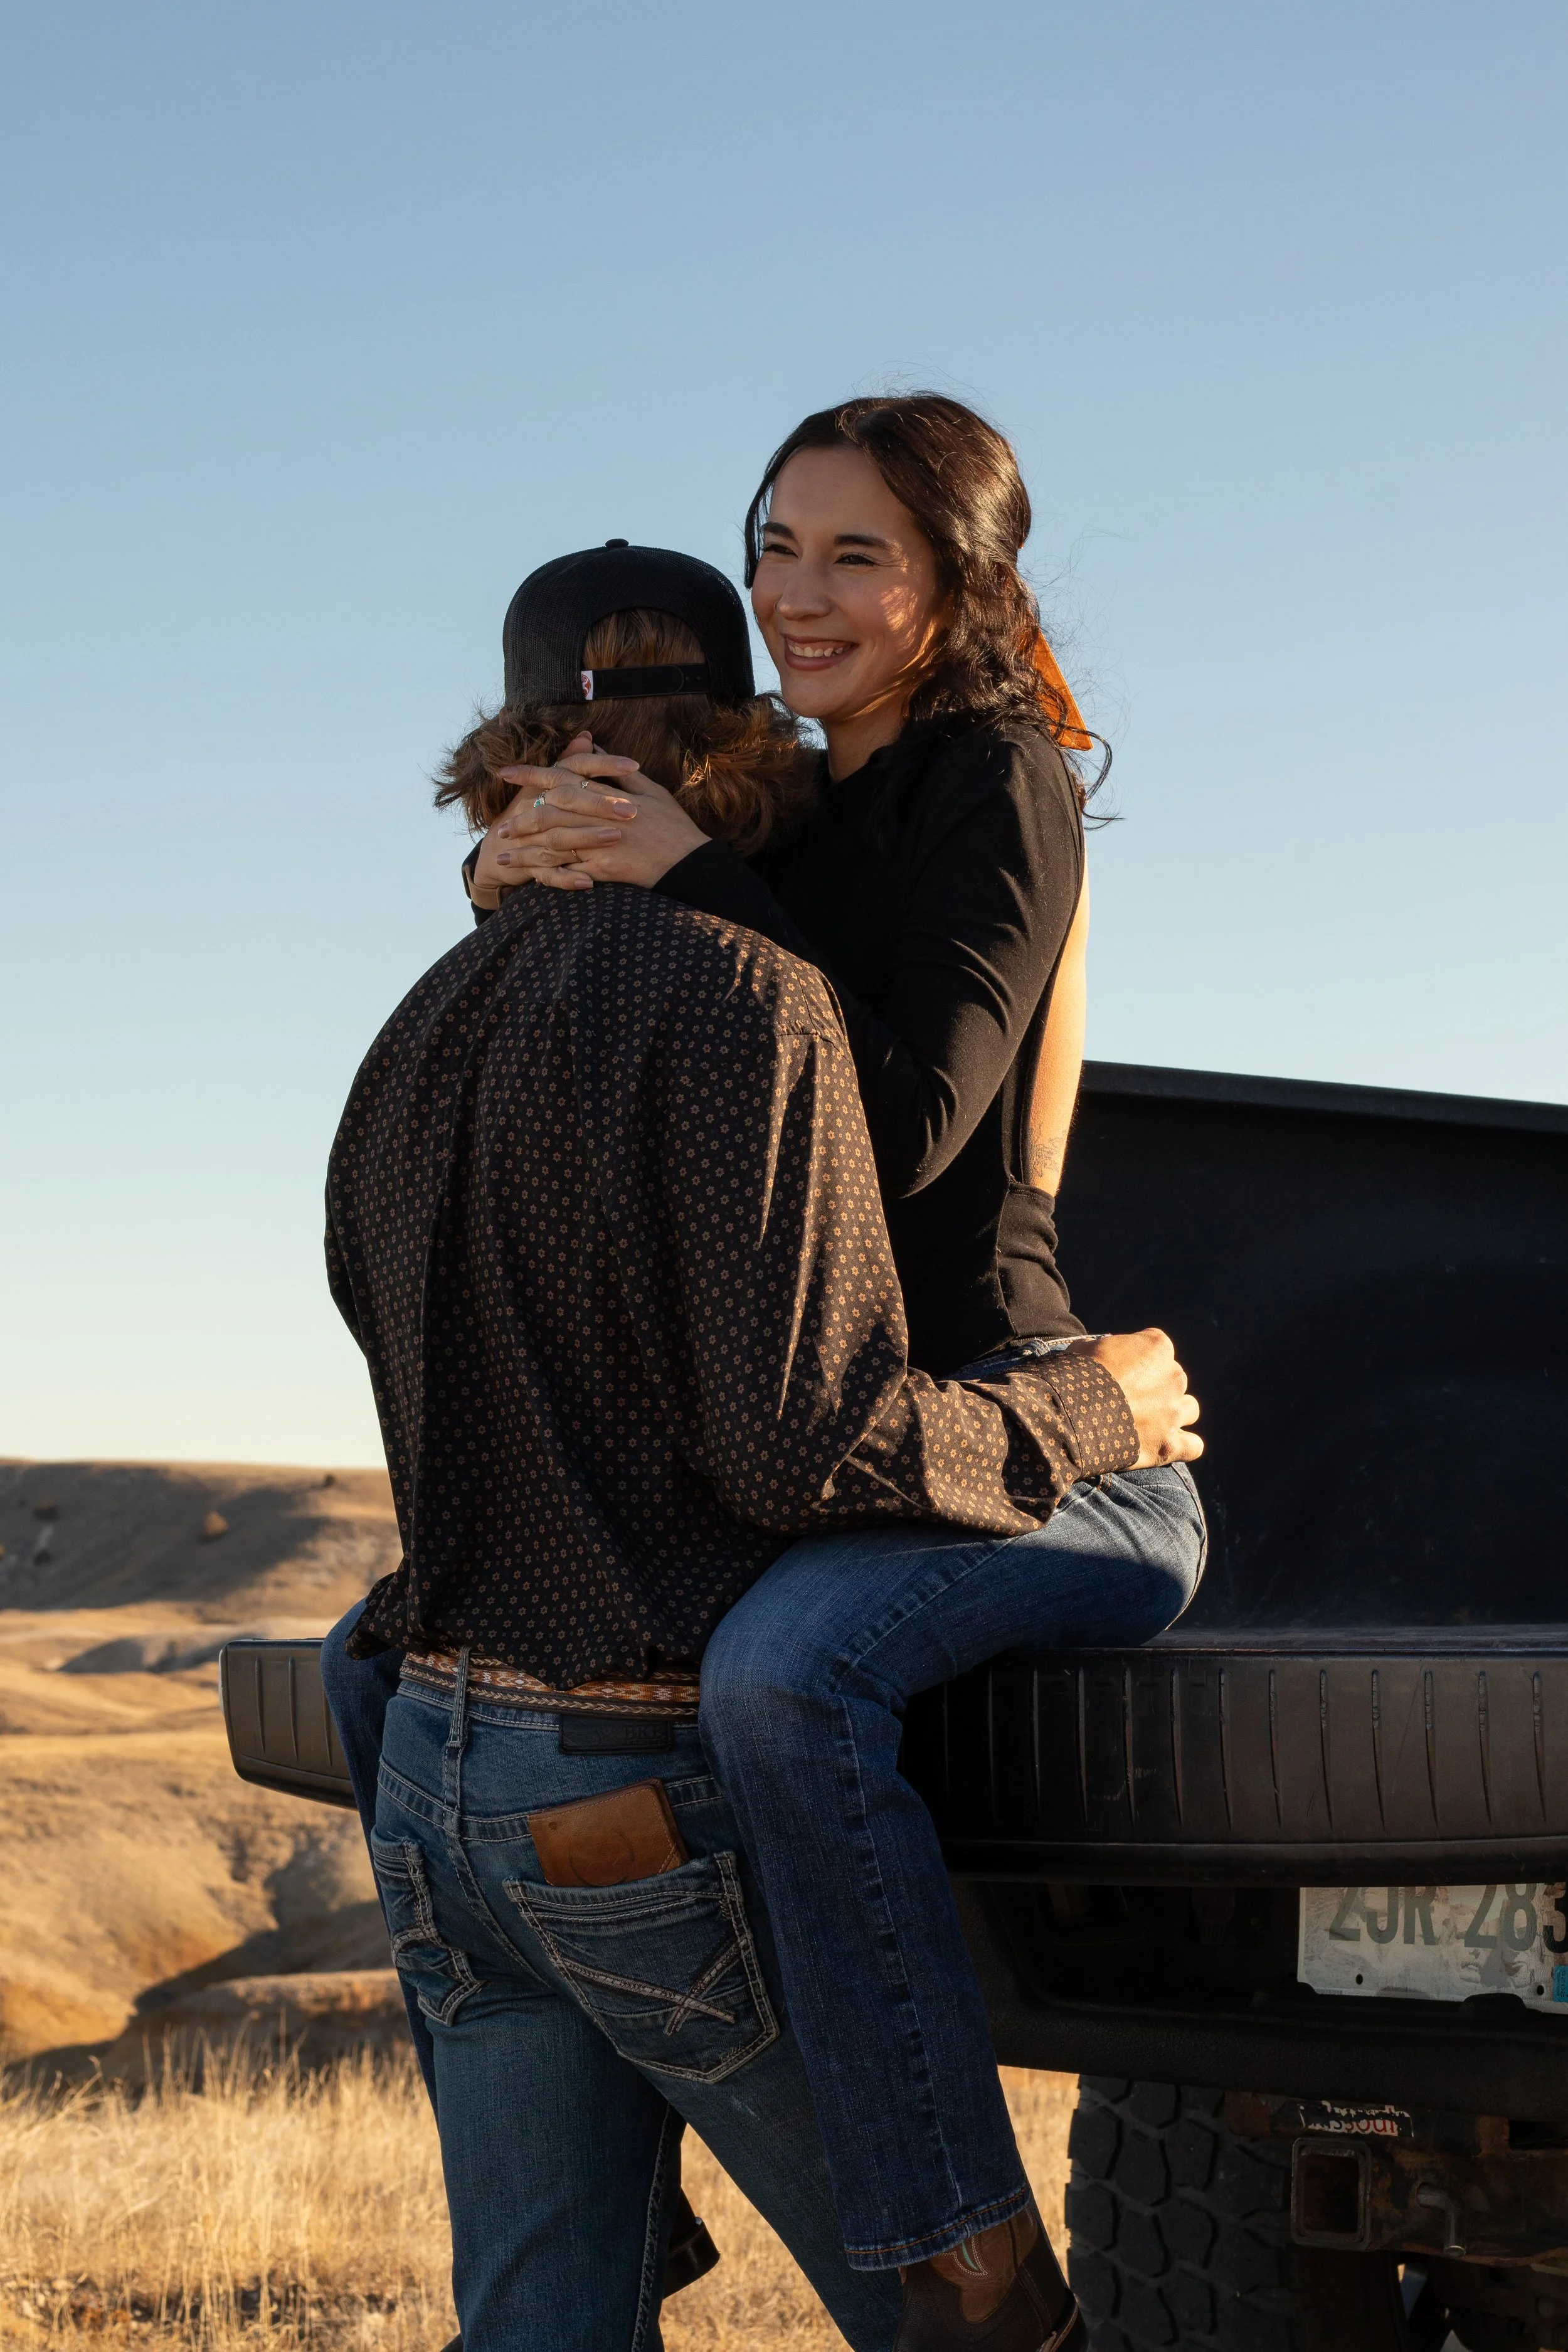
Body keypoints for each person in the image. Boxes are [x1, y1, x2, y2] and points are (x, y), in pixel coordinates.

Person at [325, 538, 1202, 2352]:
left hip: (431, 1774)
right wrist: (1084, 1410)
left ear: (505, 764)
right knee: (967, 2329)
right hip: (628, 1787)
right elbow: (804, 1449)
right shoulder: (754, 1002)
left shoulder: (412, 1033)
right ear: (742, 756)